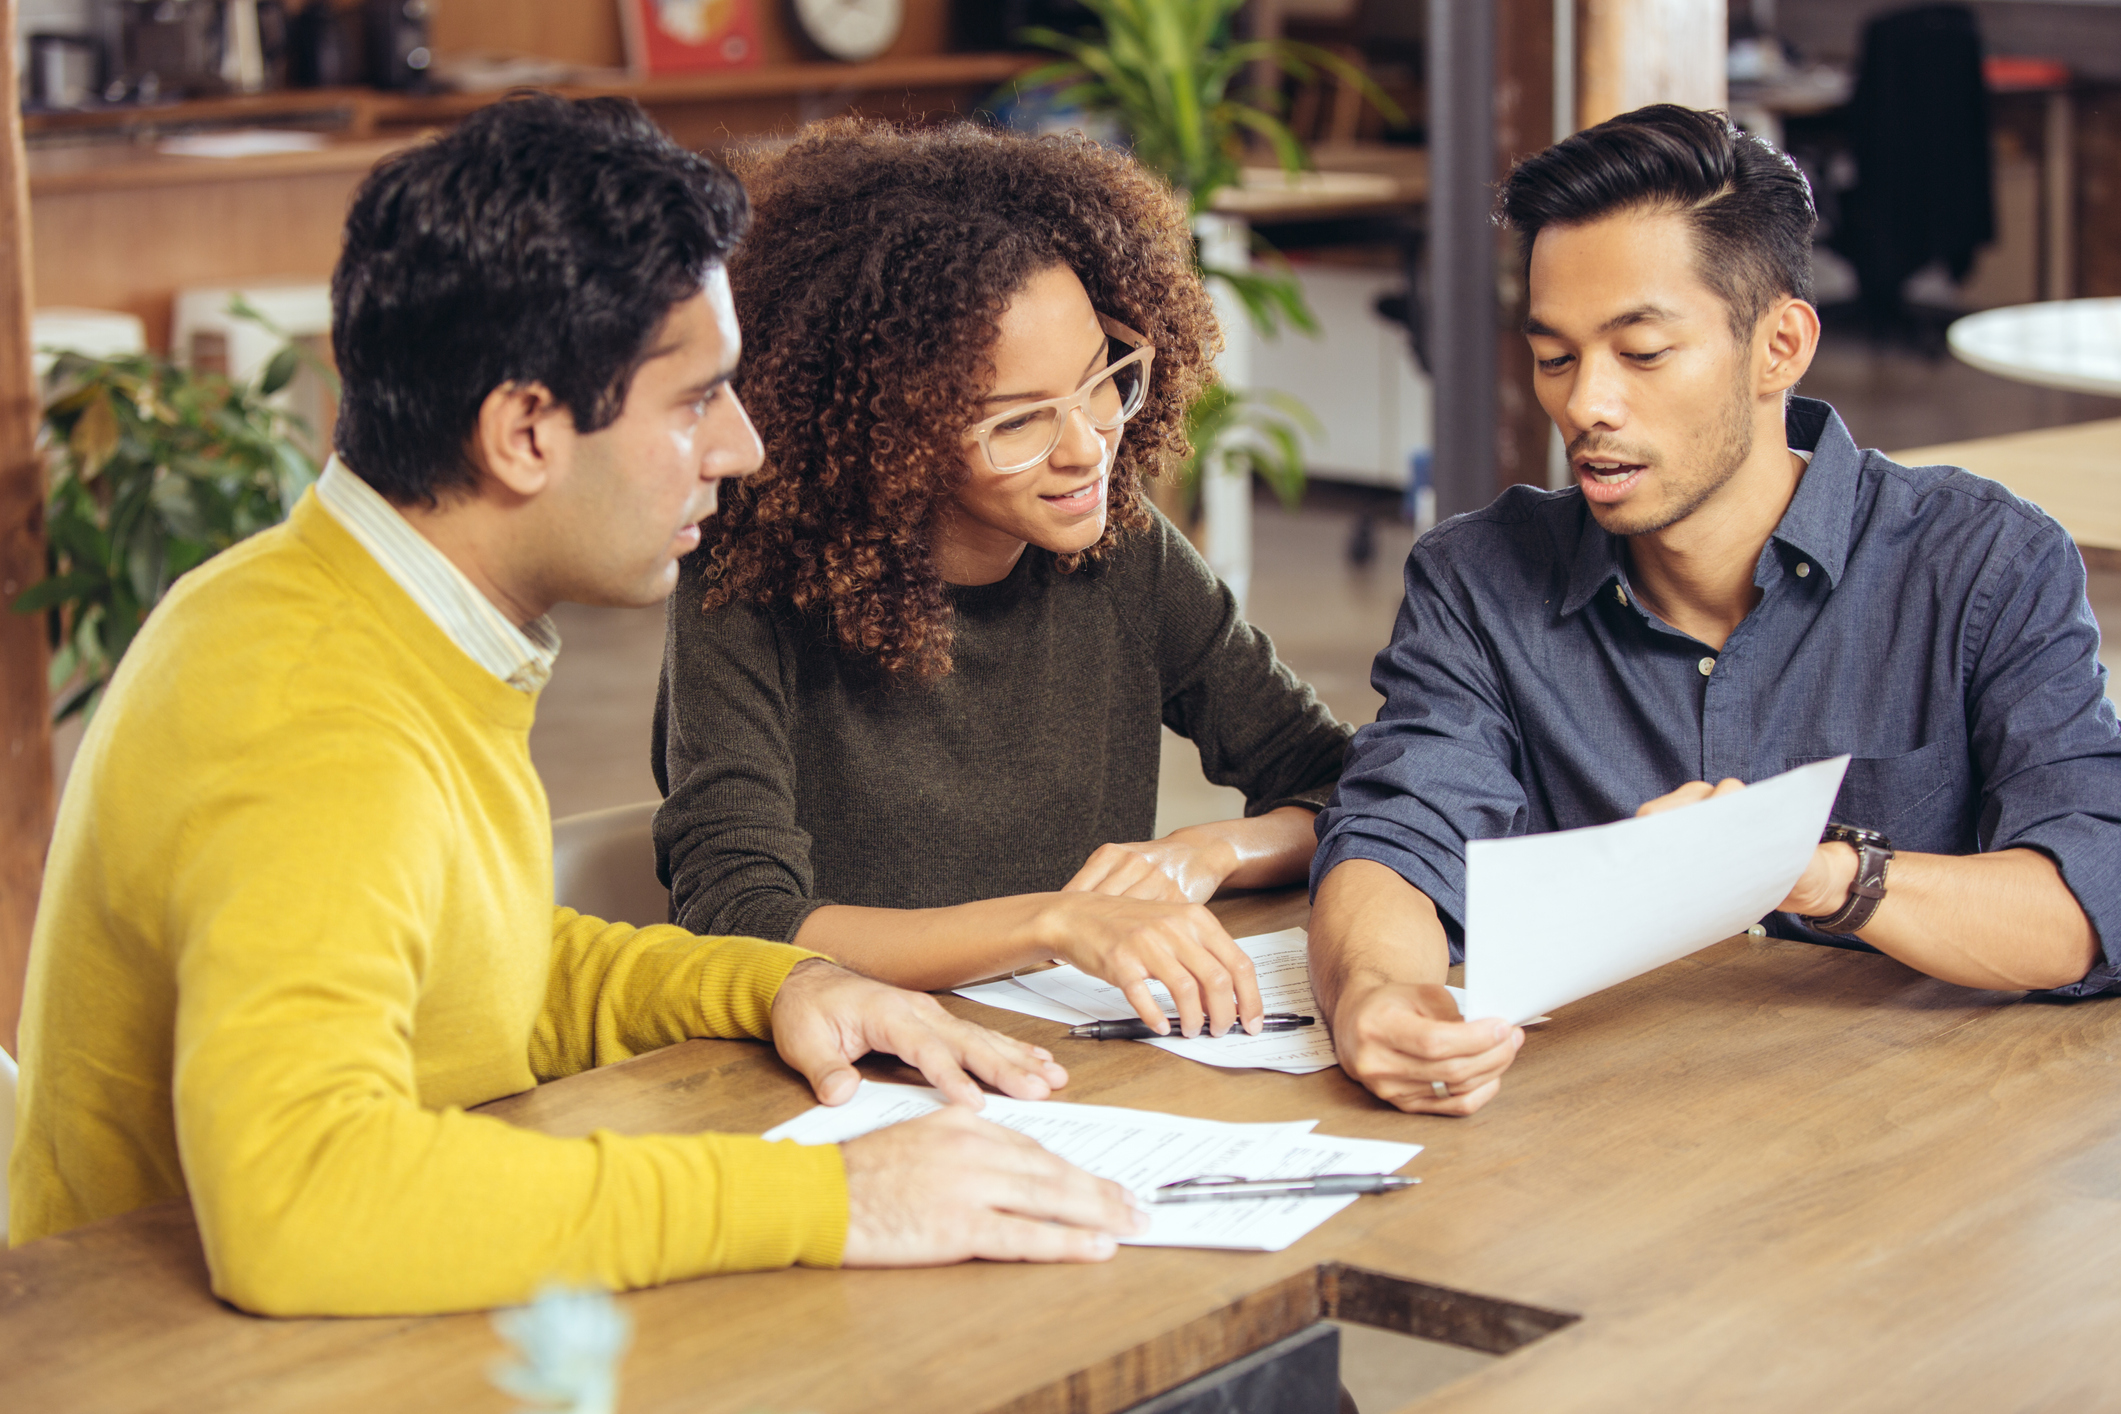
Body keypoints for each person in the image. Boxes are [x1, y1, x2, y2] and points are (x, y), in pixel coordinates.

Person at [8, 94, 1145, 1316]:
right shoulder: (310, 712)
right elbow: (300, 1203)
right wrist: (839, 1203)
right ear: (526, 432)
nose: (745, 447)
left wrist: (772, 983)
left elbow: (467, 961)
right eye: (695, 400)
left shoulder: (370, 618)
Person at [1307, 104, 2121, 1116]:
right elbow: (1396, 835)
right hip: (1607, 1151)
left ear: (1779, 344)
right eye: (1555, 356)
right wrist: (1377, 997)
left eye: (1641, 353)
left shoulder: (1982, 563)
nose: (1586, 406)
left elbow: (2090, 897)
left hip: (1914, 1155)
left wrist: (1811, 873)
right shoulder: (1479, 577)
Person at [653, 121, 1351, 1040]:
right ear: (887, 437)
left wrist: (1208, 850)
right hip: (851, 1070)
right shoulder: (752, 579)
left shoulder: (1120, 552)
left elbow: (1343, 784)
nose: (1086, 448)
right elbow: (740, 922)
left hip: (1065, 1056)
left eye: (1101, 379)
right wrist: (1053, 923)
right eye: (1016, 423)